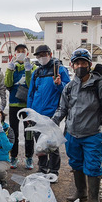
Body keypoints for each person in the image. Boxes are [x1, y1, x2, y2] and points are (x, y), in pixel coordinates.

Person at [52, 49, 102, 202]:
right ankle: (81, 192)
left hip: (92, 134)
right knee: (76, 163)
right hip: (72, 134)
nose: (80, 66)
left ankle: (94, 199)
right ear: (72, 66)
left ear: (90, 65)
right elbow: (62, 108)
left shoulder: (99, 85)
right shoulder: (69, 87)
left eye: (83, 63)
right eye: (77, 63)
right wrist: (54, 121)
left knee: (93, 166)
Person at [27, 44, 70, 181]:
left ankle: (54, 171)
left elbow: (67, 91)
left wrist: (59, 84)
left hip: (52, 114)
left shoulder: (60, 70)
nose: (41, 58)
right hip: (36, 114)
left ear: (50, 54)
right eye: (39, 56)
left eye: (44, 55)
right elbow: (31, 93)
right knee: (40, 144)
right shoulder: (37, 72)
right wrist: (29, 112)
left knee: (52, 144)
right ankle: (42, 168)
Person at [4, 44, 37, 169]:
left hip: (27, 105)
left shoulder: (32, 67)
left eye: (23, 51)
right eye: (18, 51)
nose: (21, 53)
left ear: (27, 53)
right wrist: (10, 70)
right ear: (15, 53)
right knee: (13, 132)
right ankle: (13, 156)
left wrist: (28, 71)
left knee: (29, 132)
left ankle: (29, 157)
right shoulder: (12, 66)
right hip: (13, 104)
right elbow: (8, 83)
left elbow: (31, 85)